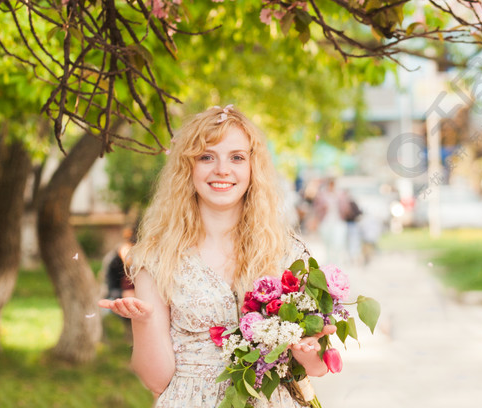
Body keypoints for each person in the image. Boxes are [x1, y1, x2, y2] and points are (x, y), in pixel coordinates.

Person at [99, 106, 337, 406]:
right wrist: (144, 321)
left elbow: (316, 368)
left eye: (237, 157)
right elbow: (156, 380)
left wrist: (305, 352)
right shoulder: (158, 258)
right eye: (206, 156)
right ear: (188, 167)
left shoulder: (287, 252)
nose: (222, 169)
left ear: (253, 167)